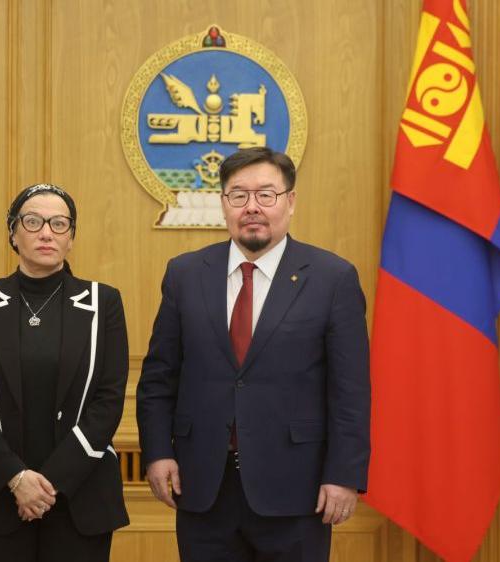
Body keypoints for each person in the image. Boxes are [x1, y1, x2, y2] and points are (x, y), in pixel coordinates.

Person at [136, 147, 370, 562]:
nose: (252, 207)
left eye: (266, 194)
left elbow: (350, 391)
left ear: (290, 201)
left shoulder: (332, 278)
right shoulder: (185, 274)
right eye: (239, 195)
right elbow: (159, 378)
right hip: (203, 485)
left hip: (297, 489)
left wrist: (343, 475)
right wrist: (157, 452)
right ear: (223, 203)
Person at [0, 184, 129, 562]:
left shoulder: (104, 303)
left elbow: (108, 400)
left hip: (81, 497)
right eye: (33, 222)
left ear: (71, 238)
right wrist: (16, 479)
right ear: (13, 233)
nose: (46, 233)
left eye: (59, 224)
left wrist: (48, 485)